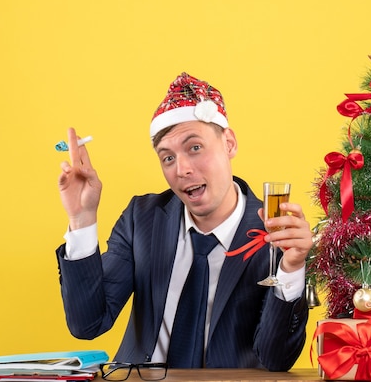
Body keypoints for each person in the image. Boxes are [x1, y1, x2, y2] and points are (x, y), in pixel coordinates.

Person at [55, 73, 313, 371]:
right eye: (167, 158)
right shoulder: (143, 217)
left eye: (195, 148)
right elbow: (88, 324)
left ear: (228, 143)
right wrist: (82, 219)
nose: (182, 170)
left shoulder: (276, 232)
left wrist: (291, 269)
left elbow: (276, 360)